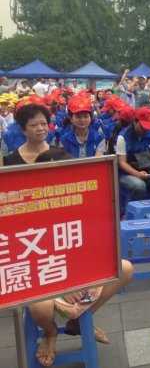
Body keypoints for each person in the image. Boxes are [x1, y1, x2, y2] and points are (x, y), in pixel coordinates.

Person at [2, 103, 134, 366]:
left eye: (43, 123)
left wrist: (76, 278)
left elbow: (77, 215)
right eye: (33, 125)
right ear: (22, 129)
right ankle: (50, 333)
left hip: (64, 246)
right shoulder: (9, 164)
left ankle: (79, 319)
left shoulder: (61, 156)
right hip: (32, 251)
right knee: (40, 306)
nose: (40, 129)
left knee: (125, 269)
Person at [116, 107, 150, 200]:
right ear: (135, 122)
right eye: (142, 127)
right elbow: (122, 162)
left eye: (147, 127)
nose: (145, 130)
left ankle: (149, 205)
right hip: (126, 174)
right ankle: (134, 207)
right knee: (139, 186)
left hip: (148, 171)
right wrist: (137, 173)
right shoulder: (123, 137)